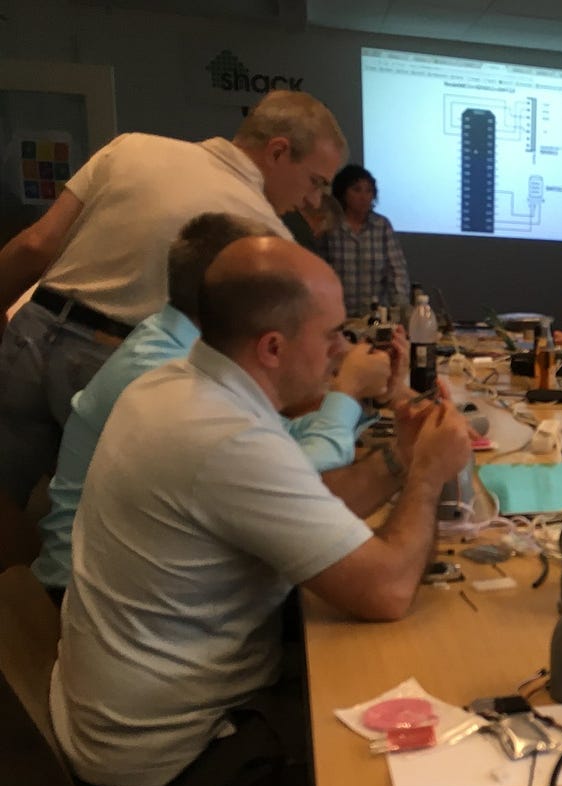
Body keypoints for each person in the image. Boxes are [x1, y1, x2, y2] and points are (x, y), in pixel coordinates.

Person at [50, 235, 473, 786]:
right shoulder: (224, 437)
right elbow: (386, 592)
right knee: (439, 763)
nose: (344, 350)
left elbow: (303, 499)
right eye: (332, 334)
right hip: (169, 779)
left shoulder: (182, 383)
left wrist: (396, 459)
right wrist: (428, 479)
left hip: (128, 732)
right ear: (272, 347)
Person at [0, 90, 347, 539]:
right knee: (93, 514)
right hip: (111, 364)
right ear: (278, 151)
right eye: (316, 182)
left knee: (6, 497)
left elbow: (35, 246)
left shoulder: (130, 147)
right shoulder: (265, 236)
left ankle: (17, 601)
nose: (314, 200)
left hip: (32, 330)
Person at [32, 212, 407, 598]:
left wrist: (363, 403)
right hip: (76, 588)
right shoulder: (164, 378)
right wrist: (346, 395)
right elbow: (294, 483)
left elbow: (278, 444)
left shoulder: (189, 358)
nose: (341, 347)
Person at [321, 163, 410, 318]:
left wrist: (400, 310)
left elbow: (396, 271)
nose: (364, 197)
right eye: (356, 190)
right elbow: (320, 269)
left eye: (369, 191)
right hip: (337, 315)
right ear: (343, 193)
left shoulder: (381, 225)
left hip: (374, 317)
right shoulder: (330, 225)